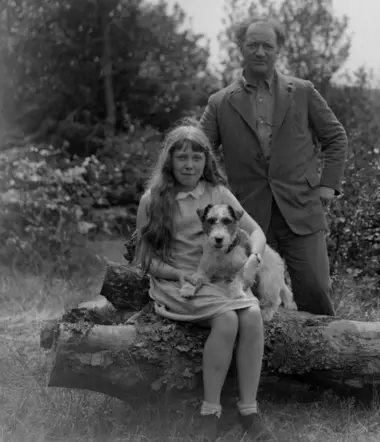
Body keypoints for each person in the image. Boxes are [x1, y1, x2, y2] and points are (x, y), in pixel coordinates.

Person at [133, 120, 274, 441]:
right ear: (169, 161)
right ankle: (210, 412)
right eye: (181, 157)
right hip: (179, 281)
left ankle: (248, 410)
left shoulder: (218, 193)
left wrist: (253, 260)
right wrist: (176, 273)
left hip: (219, 277)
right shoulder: (151, 201)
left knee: (251, 317)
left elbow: (256, 232)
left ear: (207, 161)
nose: (189, 165)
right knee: (226, 320)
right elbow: (147, 259)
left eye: (197, 158)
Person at [199, 16, 348, 317]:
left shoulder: (303, 91)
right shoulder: (220, 102)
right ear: (240, 47)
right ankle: (262, 360)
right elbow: (198, 150)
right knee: (251, 296)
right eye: (253, 45)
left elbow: (335, 137)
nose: (260, 52)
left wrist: (328, 184)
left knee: (315, 292)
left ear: (279, 50)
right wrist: (213, 195)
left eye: (267, 45)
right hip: (250, 216)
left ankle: (323, 359)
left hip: (301, 208)